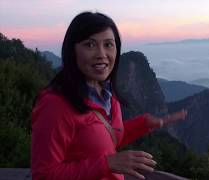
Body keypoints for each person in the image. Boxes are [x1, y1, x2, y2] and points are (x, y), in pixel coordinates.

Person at [31, 11, 187, 180]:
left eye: (108, 45)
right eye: (90, 45)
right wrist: (107, 164)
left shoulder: (107, 94)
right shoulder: (55, 105)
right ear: (72, 50)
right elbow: (43, 175)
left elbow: (105, 140)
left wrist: (145, 124)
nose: (101, 54)